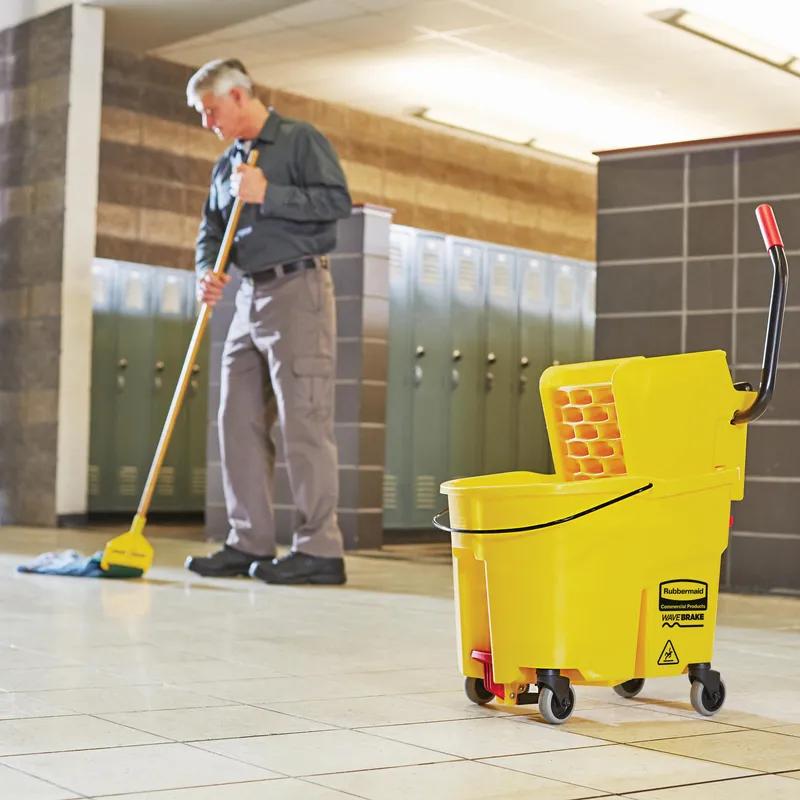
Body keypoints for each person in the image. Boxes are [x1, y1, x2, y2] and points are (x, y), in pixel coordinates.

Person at [183, 59, 352, 585]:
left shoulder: (300, 141)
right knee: (237, 420)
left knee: (305, 420)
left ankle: (320, 550)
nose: (207, 123)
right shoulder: (224, 164)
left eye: (210, 111)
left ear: (236, 96)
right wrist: (208, 270)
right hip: (248, 296)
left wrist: (268, 194)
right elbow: (211, 229)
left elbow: (336, 204)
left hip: (297, 290)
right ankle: (248, 539)